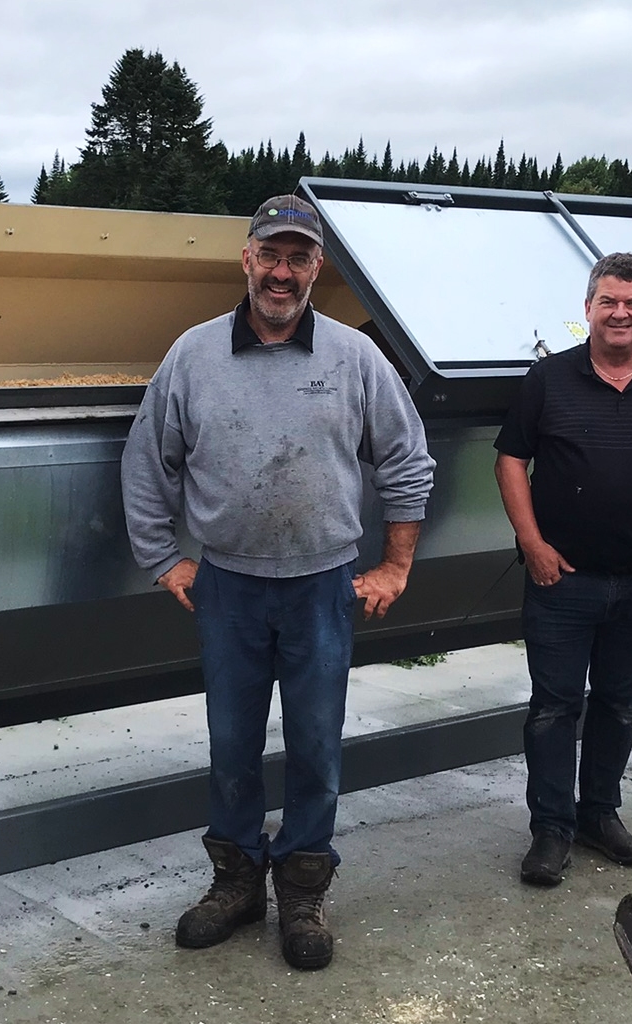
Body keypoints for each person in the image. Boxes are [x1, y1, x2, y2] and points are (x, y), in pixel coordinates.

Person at [120, 195, 435, 970]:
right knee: (231, 744)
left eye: (300, 258)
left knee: (315, 746)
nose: (283, 272)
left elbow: (405, 460)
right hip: (226, 587)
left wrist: (395, 563)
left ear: (317, 268)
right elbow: (145, 463)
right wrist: (163, 557)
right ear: (247, 259)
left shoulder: (356, 360)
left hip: (322, 587)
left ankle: (301, 887)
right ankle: (235, 883)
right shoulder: (192, 355)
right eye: (272, 254)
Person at [493, 252, 632, 888]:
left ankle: (599, 815)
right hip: (562, 582)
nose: (621, 313)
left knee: (618, 706)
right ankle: (551, 829)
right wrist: (531, 542)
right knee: (554, 709)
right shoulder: (548, 379)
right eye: (608, 301)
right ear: (587, 308)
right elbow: (510, 460)